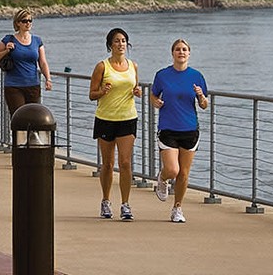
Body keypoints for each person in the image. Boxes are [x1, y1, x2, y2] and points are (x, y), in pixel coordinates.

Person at [149, 38, 208, 223]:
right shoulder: (162, 75)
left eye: (184, 50)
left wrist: (200, 96)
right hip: (168, 128)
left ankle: (177, 208)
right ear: (172, 53)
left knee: (183, 173)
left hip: (190, 129)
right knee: (173, 170)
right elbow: (153, 95)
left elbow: (204, 105)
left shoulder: (196, 76)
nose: (181, 52)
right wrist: (155, 102)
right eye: (177, 50)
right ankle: (162, 177)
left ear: (189, 53)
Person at [89, 28, 141, 221]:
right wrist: (102, 91)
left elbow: (135, 87)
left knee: (125, 163)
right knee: (108, 164)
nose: (121, 44)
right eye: (117, 41)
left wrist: (137, 92)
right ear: (110, 45)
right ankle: (105, 201)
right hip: (105, 118)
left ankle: (125, 204)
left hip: (127, 118)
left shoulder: (133, 66)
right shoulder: (102, 67)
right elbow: (91, 94)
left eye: (124, 41)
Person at [0, 9, 53, 115]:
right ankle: (17, 132)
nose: (28, 23)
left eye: (30, 20)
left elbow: (42, 62)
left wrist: (48, 79)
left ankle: (30, 133)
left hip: (33, 85)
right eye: (24, 21)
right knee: (18, 118)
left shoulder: (37, 40)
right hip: (14, 86)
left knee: (34, 118)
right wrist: (6, 51)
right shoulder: (8, 39)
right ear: (18, 23)